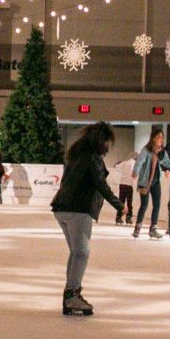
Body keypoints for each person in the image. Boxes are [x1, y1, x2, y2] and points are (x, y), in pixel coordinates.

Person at [51, 121, 118, 317]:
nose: (107, 146)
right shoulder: (91, 158)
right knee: (82, 253)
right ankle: (72, 295)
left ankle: (71, 294)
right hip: (78, 209)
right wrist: (119, 205)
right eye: (107, 142)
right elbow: (100, 184)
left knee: (76, 252)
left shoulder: (75, 155)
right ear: (101, 141)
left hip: (62, 207)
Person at [131, 129, 165, 239]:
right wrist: (135, 171)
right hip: (145, 181)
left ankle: (153, 229)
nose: (161, 139)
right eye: (159, 137)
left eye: (162, 137)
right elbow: (140, 161)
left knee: (157, 204)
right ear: (153, 138)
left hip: (156, 182)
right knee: (144, 205)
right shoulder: (146, 149)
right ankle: (137, 228)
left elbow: (166, 162)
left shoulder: (162, 151)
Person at [110, 151, 137, 224]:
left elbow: (116, 166)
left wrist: (120, 162)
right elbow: (135, 173)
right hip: (129, 185)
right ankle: (128, 218)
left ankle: (118, 217)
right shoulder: (135, 164)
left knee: (121, 201)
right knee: (129, 202)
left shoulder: (124, 162)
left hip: (122, 184)